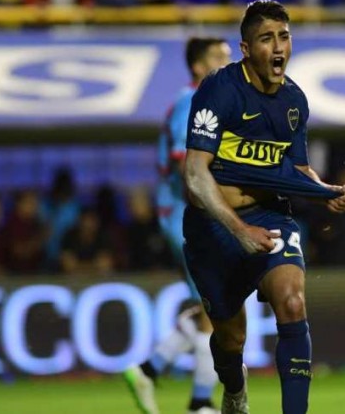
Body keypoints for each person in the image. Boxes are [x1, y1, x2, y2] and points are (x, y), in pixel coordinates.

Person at [183, 0, 345, 414]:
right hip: (214, 227)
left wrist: (325, 191)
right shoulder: (219, 90)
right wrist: (239, 231)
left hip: (270, 217)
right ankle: (235, 390)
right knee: (231, 340)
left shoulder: (295, 102)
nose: (278, 48)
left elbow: (297, 169)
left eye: (284, 36)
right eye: (266, 39)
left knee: (292, 302)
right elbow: (195, 175)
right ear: (246, 49)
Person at [123, 36, 231, 414]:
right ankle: (200, 402)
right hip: (187, 215)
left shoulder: (213, 103)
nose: (228, 64)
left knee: (216, 305)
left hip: (193, 214)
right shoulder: (193, 102)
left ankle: (149, 370)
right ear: (199, 66)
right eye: (219, 57)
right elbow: (187, 164)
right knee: (218, 307)